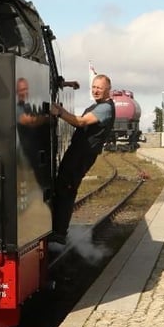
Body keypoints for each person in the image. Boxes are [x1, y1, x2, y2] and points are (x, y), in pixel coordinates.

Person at [48, 73, 116, 245]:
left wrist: (60, 112)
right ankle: (56, 227)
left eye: (99, 88)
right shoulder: (98, 106)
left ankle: (59, 232)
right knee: (62, 184)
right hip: (78, 151)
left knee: (66, 188)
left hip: (83, 153)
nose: (95, 90)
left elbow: (81, 122)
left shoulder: (105, 108)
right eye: (94, 87)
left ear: (108, 90)